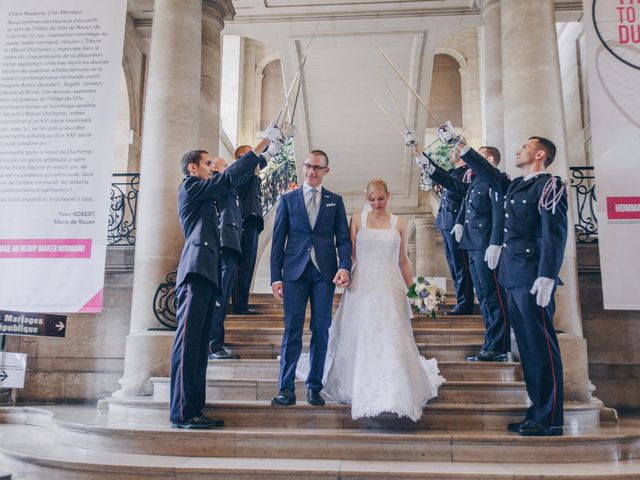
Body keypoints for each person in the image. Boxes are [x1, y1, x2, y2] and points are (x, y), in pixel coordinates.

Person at [437, 124, 567, 437]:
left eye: (525, 146)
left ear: (539, 154)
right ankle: (537, 413)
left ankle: (550, 417)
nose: (518, 150)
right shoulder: (517, 185)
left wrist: (547, 274)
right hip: (512, 275)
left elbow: (554, 235)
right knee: (528, 347)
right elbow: (491, 175)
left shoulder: (550, 186)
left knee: (541, 347)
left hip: (532, 277)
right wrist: (462, 146)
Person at [298, 179, 444, 420]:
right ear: (367, 198)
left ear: (389, 196)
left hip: (390, 286)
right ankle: (359, 384)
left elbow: (403, 261)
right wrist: (342, 274)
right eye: (372, 199)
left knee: (391, 335)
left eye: (381, 199)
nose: (376, 203)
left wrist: (414, 292)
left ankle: (394, 389)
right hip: (362, 285)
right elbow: (349, 254)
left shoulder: (400, 223)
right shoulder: (357, 219)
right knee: (361, 333)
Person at [169, 128, 281, 429]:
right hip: (195, 271)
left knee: (200, 348)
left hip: (207, 273)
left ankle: (194, 408)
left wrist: (263, 157)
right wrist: (261, 145)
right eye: (208, 164)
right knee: (188, 344)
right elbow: (229, 177)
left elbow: (233, 183)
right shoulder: (190, 186)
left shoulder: (205, 193)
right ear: (193, 168)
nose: (211, 168)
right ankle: (182, 412)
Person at [270, 150, 352, 407]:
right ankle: (285, 389)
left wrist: (345, 267)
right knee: (292, 330)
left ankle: (314, 387)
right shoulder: (287, 200)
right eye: (307, 166)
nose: (311, 171)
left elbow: (344, 240)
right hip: (294, 274)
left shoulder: (335, 201)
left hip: (324, 274)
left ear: (326, 170)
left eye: (317, 167)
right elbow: (277, 242)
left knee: (320, 329)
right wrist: (275, 278)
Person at [414, 143, 510, 362]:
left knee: (493, 297)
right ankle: (491, 343)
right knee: (484, 297)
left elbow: (499, 214)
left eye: (478, 157)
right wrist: (429, 168)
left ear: (491, 162)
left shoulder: (495, 180)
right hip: (473, 244)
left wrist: (496, 242)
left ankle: (499, 346)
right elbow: (452, 185)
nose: (470, 161)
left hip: (486, 246)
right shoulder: (476, 182)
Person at [208, 151, 267, 360]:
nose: (230, 167)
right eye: (225, 165)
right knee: (219, 297)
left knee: (222, 299)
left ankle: (216, 343)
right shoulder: (217, 182)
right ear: (214, 169)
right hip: (224, 244)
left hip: (231, 244)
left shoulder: (228, 186)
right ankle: (213, 345)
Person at [430, 148, 474, 315]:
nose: (451, 151)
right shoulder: (454, 172)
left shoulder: (468, 173)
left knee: (461, 266)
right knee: (454, 267)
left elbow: (465, 199)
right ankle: (461, 301)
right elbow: (437, 172)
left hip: (456, 224)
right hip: (445, 223)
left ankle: (465, 304)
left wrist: (460, 222)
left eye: (455, 148)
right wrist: (420, 154)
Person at [232, 145, 265, 315]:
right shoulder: (240, 174)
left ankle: (241, 303)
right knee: (243, 265)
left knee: (249, 264)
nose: (254, 160)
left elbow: (260, 162)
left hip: (252, 220)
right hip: (245, 219)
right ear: (239, 159)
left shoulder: (251, 175)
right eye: (249, 157)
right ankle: (240, 306)